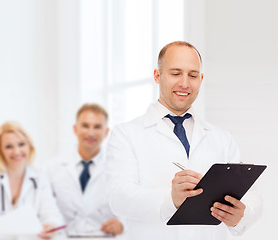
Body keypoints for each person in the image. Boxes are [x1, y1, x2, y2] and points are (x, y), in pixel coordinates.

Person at [106, 41, 262, 240]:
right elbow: (118, 197)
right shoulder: (126, 134)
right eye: (176, 73)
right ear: (157, 75)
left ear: (201, 79)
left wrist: (242, 215)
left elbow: (252, 194)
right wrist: (171, 199)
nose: (185, 83)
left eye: (193, 75)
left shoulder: (221, 138)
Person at [0, 121, 63, 239]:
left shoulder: (39, 176)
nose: (16, 152)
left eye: (21, 144)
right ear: (0, 151)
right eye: (8, 146)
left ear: (29, 146)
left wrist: (50, 226)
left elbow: (51, 214)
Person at [47, 103, 124, 237]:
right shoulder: (52, 167)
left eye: (97, 127)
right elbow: (46, 207)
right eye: (85, 126)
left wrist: (122, 224)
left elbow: (133, 206)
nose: (91, 133)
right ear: (75, 129)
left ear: (106, 132)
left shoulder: (119, 167)